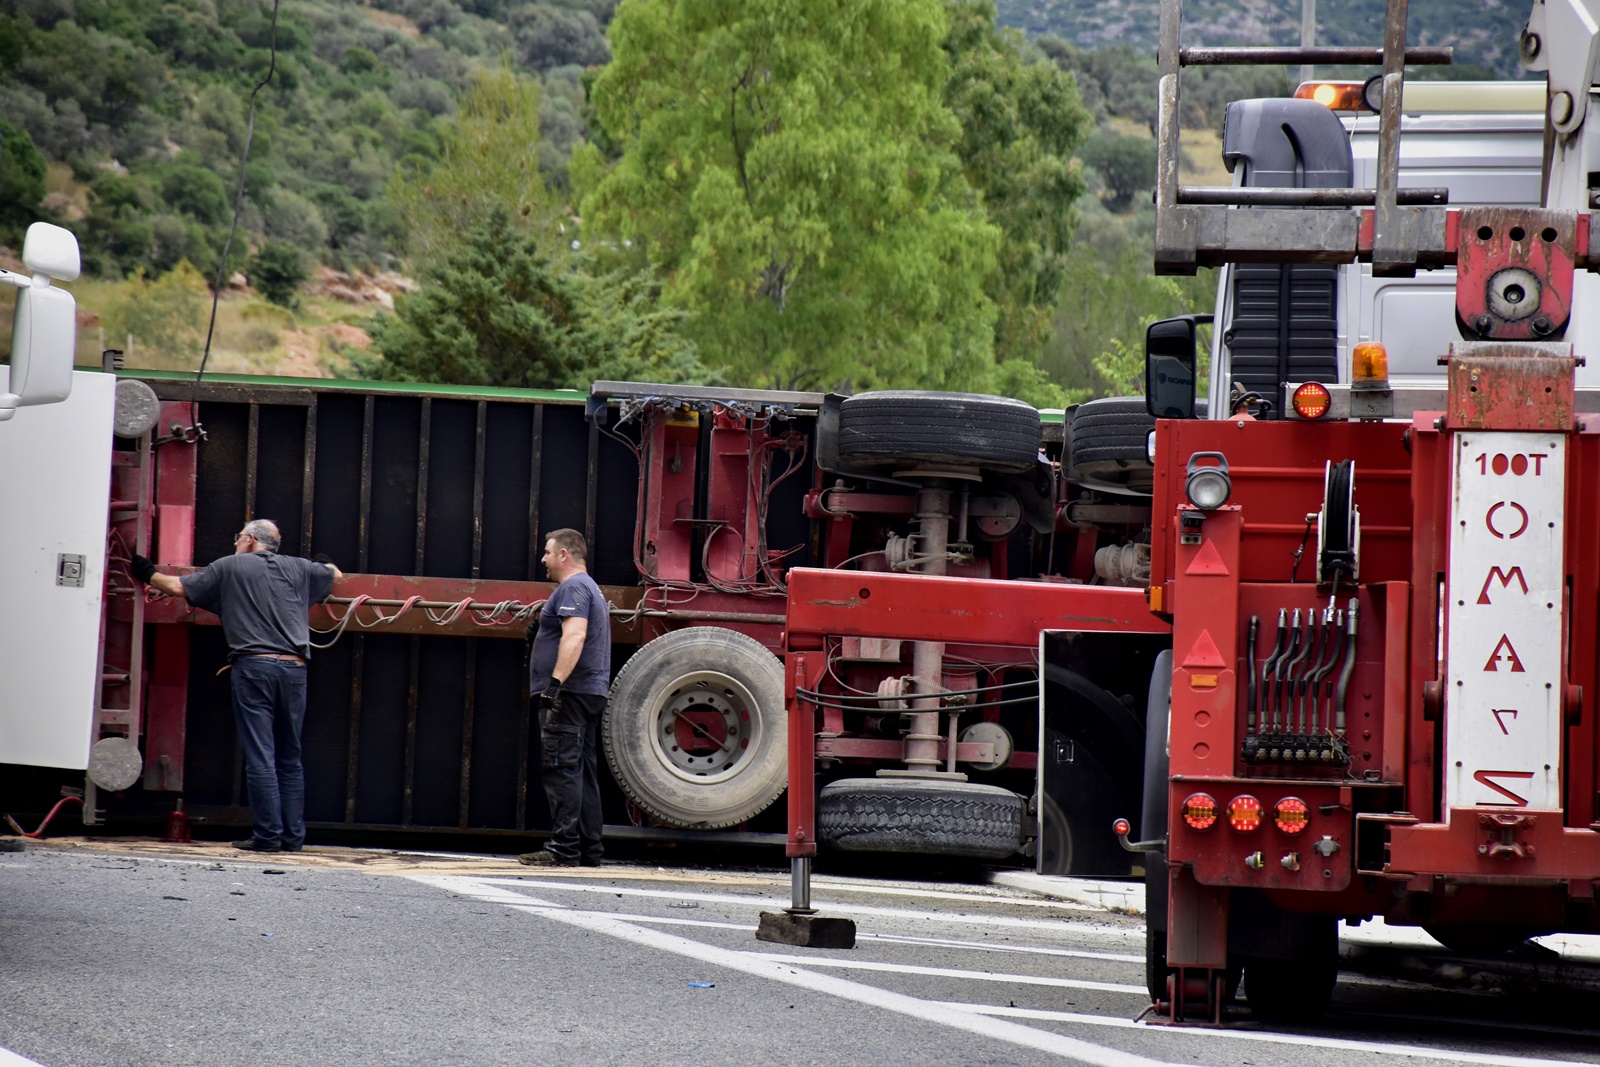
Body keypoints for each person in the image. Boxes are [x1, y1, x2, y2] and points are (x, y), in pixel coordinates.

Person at [130, 520, 342, 853]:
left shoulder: (229, 566)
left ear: (249, 540)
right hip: (295, 670)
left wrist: (144, 570)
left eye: (237, 537)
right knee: (290, 757)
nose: (235, 543)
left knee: (261, 756)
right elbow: (335, 574)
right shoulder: (301, 569)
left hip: (254, 667)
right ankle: (292, 838)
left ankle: (268, 836)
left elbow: (174, 587)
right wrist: (324, 561)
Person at [521, 528, 611, 867]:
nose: (542, 559)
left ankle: (563, 848)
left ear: (564, 555)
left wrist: (554, 684)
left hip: (569, 694)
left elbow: (575, 634)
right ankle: (589, 850)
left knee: (562, 768)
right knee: (583, 772)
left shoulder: (573, 587)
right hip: (588, 693)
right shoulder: (591, 589)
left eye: (547, 552)